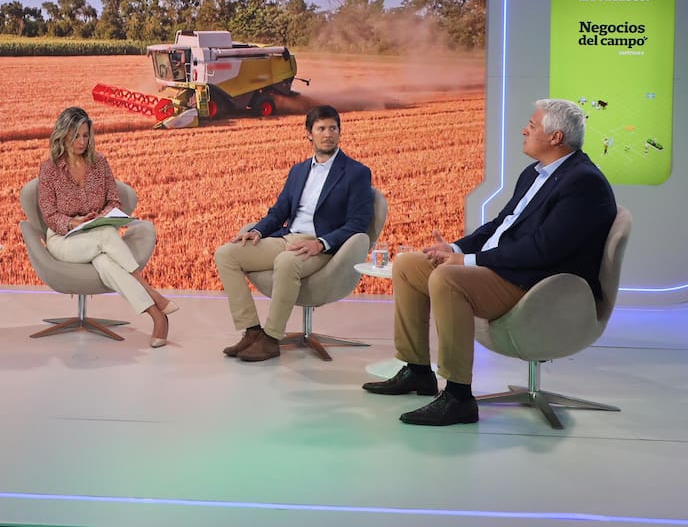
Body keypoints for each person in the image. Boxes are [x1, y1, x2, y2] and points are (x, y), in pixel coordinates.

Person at [363, 98, 617, 426]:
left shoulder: (583, 182)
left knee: (448, 278)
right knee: (410, 265)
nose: (524, 129)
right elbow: (500, 225)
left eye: (533, 124)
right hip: (507, 270)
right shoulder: (535, 173)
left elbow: (543, 250)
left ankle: (458, 395)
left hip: (538, 284)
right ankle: (417, 370)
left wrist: (467, 260)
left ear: (555, 138)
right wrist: (454, 247)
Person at [214, 104, 374, 362]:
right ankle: (253, 331)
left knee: (286, 262)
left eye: (333, 128)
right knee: (226, 254)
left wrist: (321, 244)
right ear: (309, 134)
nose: (328, 134)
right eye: (321, 128)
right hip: (288, 238)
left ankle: (272, 338)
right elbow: (278, 212)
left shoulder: (356, 173)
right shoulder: (298, 170)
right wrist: (257, 231)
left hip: (326, 248)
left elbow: (358, 223)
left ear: (340, 132)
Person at [37, 106, 175, 348]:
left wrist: (99, 216)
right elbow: (49, 214)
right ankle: (152, 293)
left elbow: (114, 200)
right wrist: (72, 222)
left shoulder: (99, 163)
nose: (82, 141)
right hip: (64, 239)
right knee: (106, 236)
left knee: (104, 262)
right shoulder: (49, 169)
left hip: (95, 232)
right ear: (63, 135)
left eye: (85, 135)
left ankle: (157, 318)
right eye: (76, 135)